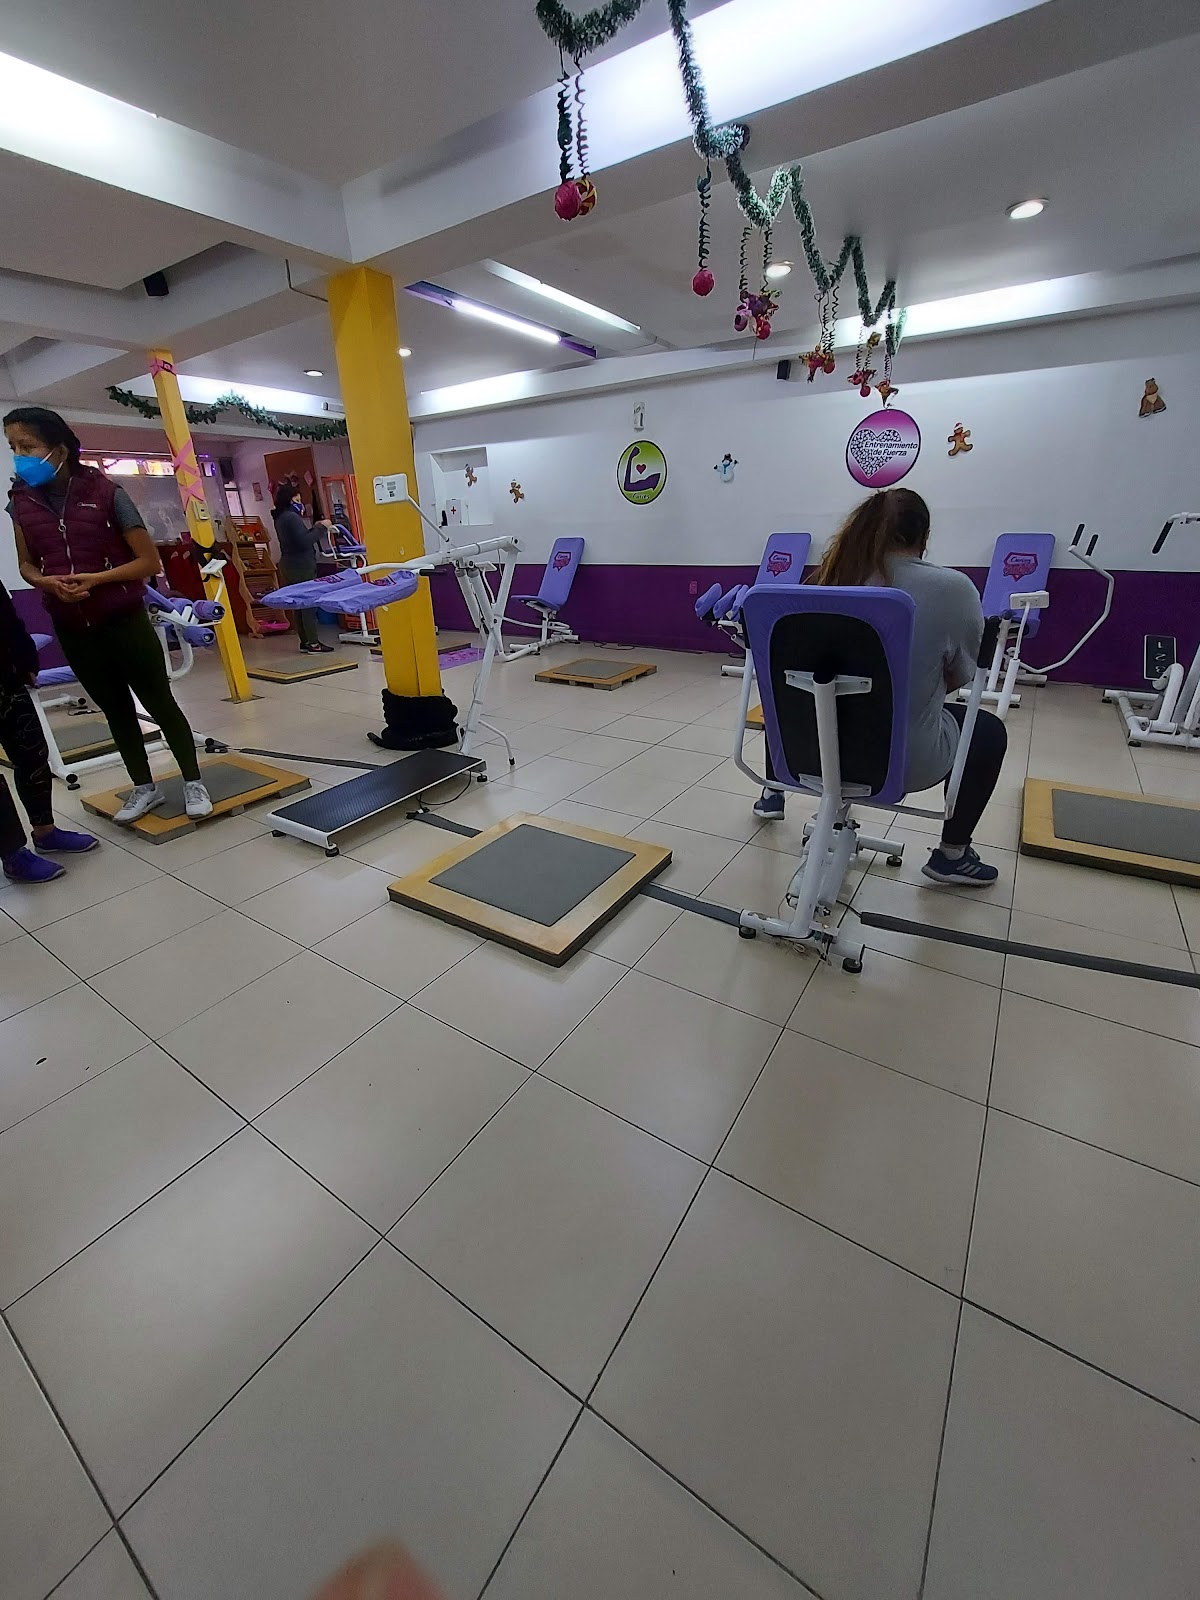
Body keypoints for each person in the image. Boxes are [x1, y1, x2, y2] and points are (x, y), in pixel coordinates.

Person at [752, 486, 1007, 886]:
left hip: (806, 755)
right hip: (901, 764)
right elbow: (959, 679)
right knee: (988, 731)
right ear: (923, 536)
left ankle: (774, 794)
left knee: (797, 692)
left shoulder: (825, 581)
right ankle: (952, 854)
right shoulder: (954, 589)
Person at [5, 406, 213, 824]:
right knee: (116, 711)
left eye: (27, 446)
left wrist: (97, 579)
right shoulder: (20, 503)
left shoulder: (107, 493)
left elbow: (148, 562)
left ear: (59, 450)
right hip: (72, 625)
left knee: (160, 703)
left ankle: (193, 781)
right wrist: (46, 583)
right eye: (13, 447)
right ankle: (144, 787)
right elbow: (26, 564)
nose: (19, 456)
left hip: (123, 620)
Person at [0, 579, 98, 881]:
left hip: (5, 677)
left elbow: (6, 614)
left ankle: (45, 832)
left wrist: (26, 659)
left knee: (33, 753)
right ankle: (13, 855)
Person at [272, 482, 333, 653]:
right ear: (289, 500)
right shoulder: (291, 518)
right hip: (301, 566)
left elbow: (299, 537)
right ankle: (313, 643)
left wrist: (315, 528)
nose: (300, 504)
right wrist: (322, 527)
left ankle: (305, 641)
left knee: (298, 605)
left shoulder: (280, 517)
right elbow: (304, 541)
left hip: (288, 564)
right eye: (297, 500)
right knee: (308, 604)